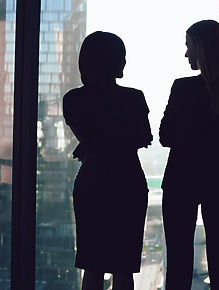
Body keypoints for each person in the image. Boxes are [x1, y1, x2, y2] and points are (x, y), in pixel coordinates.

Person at [159, 20, 219, 289]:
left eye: (189, 46)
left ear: (203, 48)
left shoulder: (183, 87)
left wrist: (188, 129)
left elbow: (166, 136)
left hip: (181, 179)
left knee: (178, 263)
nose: (186, 53)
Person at [63, 31, 153, 290]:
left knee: (92, 265)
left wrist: (90, 144)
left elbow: (92, 140)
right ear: (113, 60)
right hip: (128, 182)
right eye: (122, 57)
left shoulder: (74, 99)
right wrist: (115, 139)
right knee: (124, 266)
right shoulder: (134, 97)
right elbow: (143, 137)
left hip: (93, 181)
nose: (124, 62)